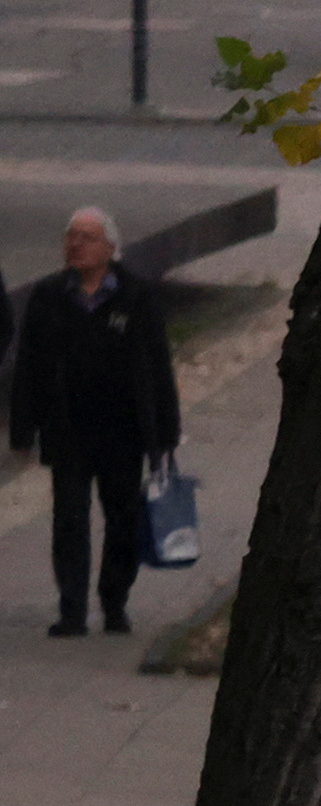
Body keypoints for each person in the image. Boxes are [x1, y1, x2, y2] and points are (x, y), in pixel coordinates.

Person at [10, 208, 180, 637]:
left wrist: (165, 433)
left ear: (109, 247)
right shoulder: (49, 295)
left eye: (86, 237)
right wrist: (22, 429)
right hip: (67, 428)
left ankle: (114, 601)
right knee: (69, 520)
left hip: (122, 430)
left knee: (122, 518)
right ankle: (71, 609)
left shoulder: (135, 297)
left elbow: (158, 366)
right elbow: (28, 364)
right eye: (71, 236)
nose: (75, 244)